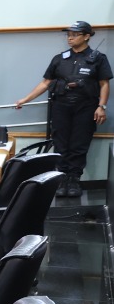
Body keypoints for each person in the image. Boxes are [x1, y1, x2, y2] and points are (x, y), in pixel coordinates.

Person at [13, 21, 110, 197]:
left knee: (79, 144)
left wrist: (101, 106)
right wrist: (25, 99)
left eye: (75, 34)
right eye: (68, 35)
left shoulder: (98, 58)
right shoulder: (59, 58)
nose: (70, 38)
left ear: (87, 36)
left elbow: (104, 84)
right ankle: (61, 179)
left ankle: (74, 180)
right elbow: (45, 83)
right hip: (61, 106)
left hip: (86, 107)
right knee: (60, 143)